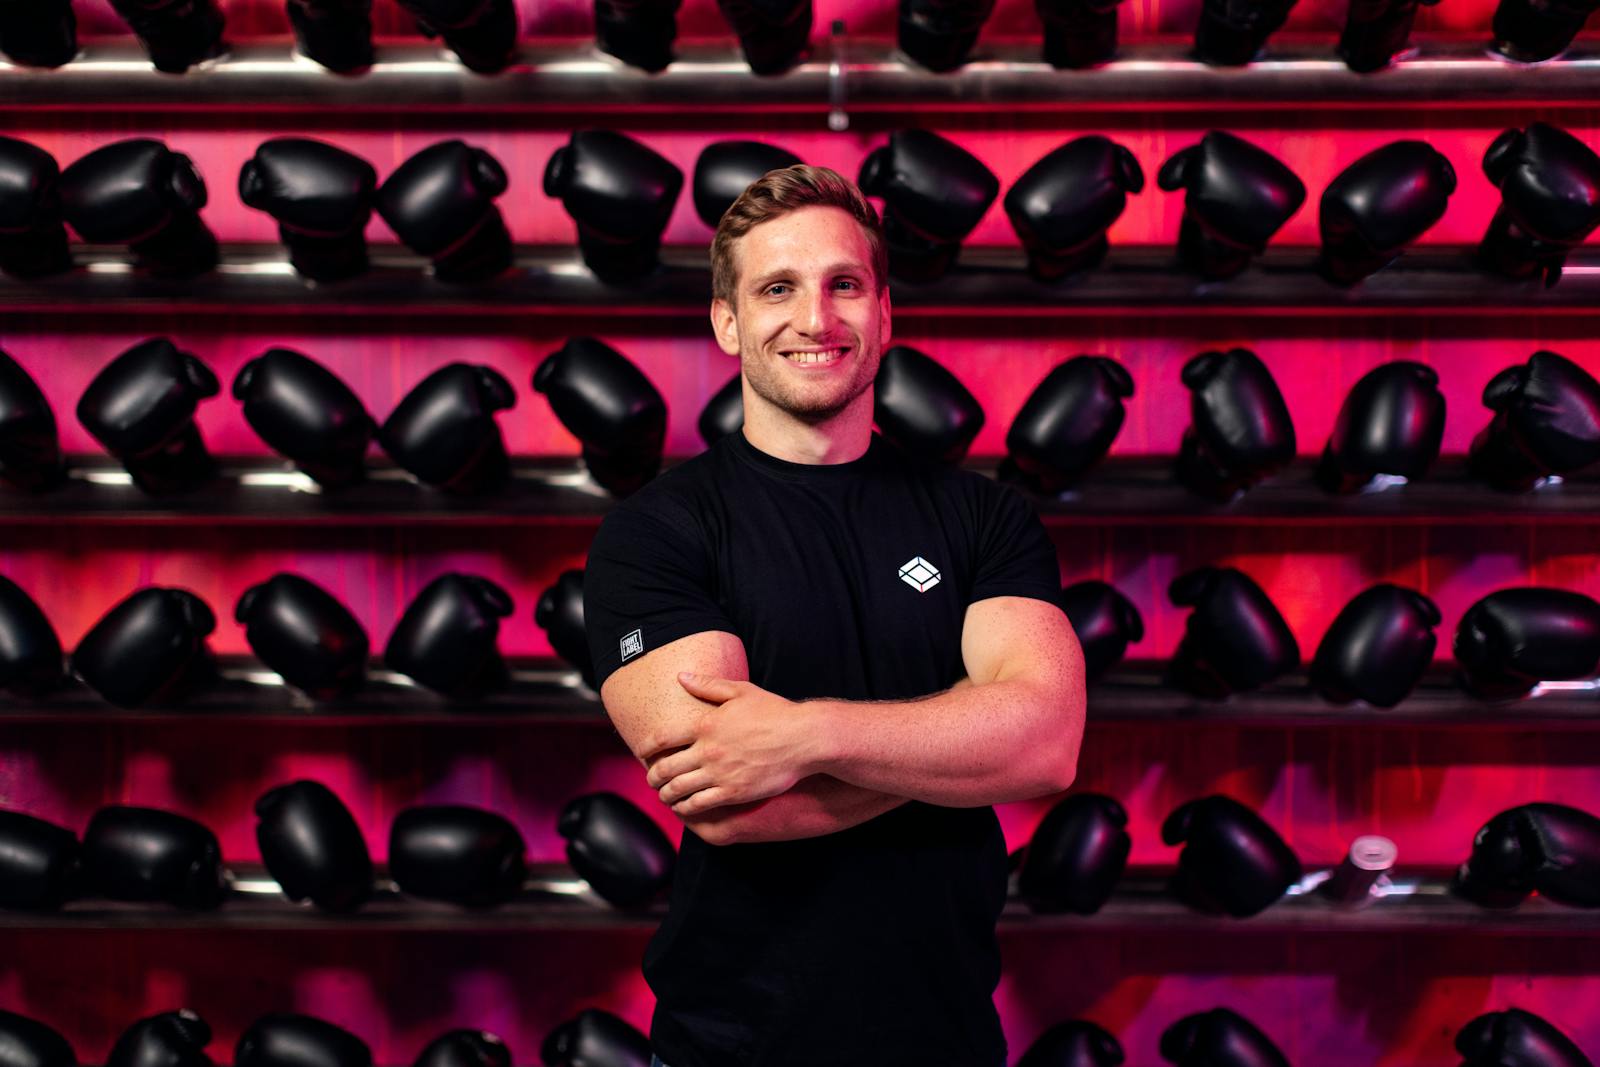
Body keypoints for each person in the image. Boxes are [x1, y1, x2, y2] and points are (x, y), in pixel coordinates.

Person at [581, 164, 1087, 1067]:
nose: (816, 319)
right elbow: (733, 803)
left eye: (844, 284)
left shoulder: (983, 517)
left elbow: (1045, 744)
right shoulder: (656, 531)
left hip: (947, 1039)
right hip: (728, 1047)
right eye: (777, 288)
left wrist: (805, 732)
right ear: (728, 321)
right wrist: (966, 736)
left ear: (884, 313)